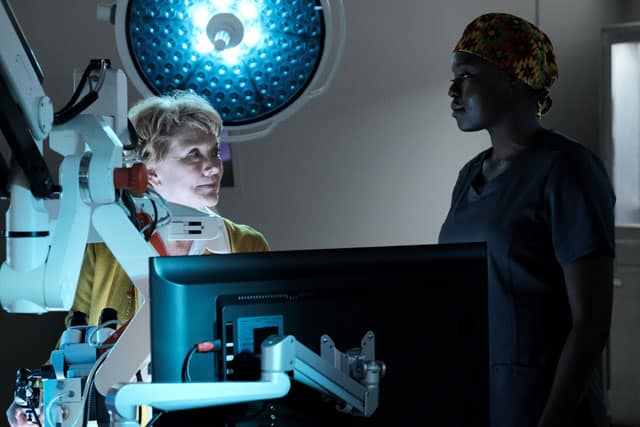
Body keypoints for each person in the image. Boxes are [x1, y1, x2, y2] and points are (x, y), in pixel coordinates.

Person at [7, 90, 270, 426]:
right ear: (149, 171)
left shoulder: (244, 244)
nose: (213, 167)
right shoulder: (103, 240)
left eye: (214, 153)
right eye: (193, 154)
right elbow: (76, 332)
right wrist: (43, 398)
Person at [439, 12, 615, 427]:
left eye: (466, 75)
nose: (452, 91)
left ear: (513, 78)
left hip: (548, 406)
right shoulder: (470, 176)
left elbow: (590, 324)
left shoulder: (568, 170)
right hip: (483, 399)